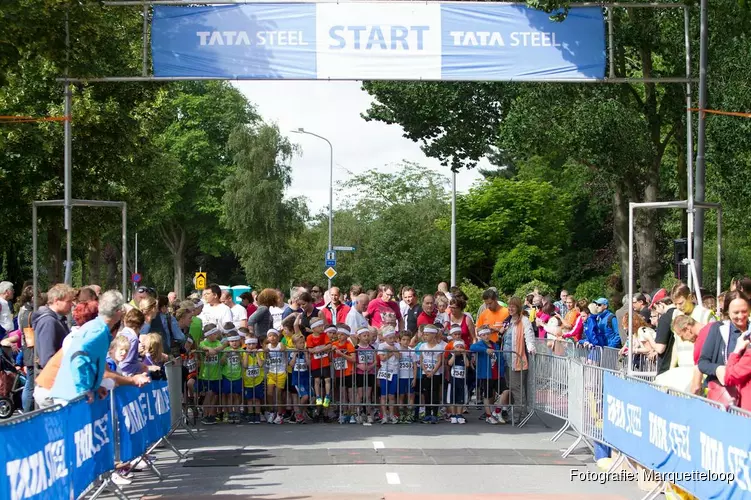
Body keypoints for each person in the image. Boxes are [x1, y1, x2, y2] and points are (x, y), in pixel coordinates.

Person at [50, 290, 126, 403]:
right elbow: (78, 357)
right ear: (118, 312)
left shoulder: (97, 327)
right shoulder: (98, 332)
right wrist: (84, 389)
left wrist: (96, 387)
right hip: (72, 397)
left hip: (72, 394)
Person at [699, 291, 750, 406]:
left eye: (744, 311)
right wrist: (717, 369)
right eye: (736, 312)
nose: (741, 316)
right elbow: (702, 362)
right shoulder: (718, 329)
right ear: (727, 311)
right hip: (724, 398)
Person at [501, 297, 536, 416]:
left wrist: (531, 347)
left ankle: (519, 414)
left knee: (517, 388)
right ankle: (514, 412)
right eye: (509, 306)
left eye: (513, 306)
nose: (510, 308)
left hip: (518, 359)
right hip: (507, 360)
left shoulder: (524, 320)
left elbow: (529, 335)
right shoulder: (508, 321)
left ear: (518, 307)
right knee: (511, 388)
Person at [32, 284, 75, 370]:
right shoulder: (48, 322)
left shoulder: (58, 320)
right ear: (56, 301)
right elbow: (47, 359)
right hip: (54, 377)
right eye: (68, 301)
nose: (72, 304)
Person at [471, 326, 503, 424]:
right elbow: (472, 347)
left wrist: (501, 372)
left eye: (487, 334)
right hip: (486, 374)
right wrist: (485, 350)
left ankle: (497, 411)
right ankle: (489, 415)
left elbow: (500, 358)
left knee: (506, 392)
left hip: (497, 373)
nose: (486, 336)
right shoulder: (480, 344)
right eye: (483, 335)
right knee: (487, 395)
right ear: (480, 336)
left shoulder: (495, 345)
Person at [197, 323, 223, 425]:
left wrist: (213, 350)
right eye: (214, 334)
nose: (216, 335)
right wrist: (208, 349)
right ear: (208, 335)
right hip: (206, 375)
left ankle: (211, 415)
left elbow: (220, 347)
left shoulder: (217, 342)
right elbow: (201, 346)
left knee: (214, 395)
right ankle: (205, 413)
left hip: (217, 375)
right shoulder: (204, 343)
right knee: (208, 394)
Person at [377, 327, 400, 424]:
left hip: (394, 372)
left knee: (391, 395)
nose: (392, 340)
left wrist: (392, 349)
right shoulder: (381, 345)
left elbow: (399, 356)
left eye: (393, 338)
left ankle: (391, 414)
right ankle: (384, 416)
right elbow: (382, 358)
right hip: (385, 372)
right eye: (389, 338)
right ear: (385, 338)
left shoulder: (397, 345)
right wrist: (392, 351)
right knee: (383, 395)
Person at [220, 332, 244, 423]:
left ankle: (237, 413)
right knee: (229, 395)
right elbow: (221, 363)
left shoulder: (242, 350)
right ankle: (230, 413)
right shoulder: (226, 350)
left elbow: (243, 363)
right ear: (229, 342)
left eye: (236, 341)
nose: (234, 343)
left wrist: (239, 355)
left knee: (237, 395)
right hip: (227, 376)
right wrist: (225, 355)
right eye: (232, 341)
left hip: (237, 376)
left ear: (239, 341)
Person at [242, 336, 265, 424]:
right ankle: (251, 414)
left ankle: (257, 414)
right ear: (246, 344)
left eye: (253, 344)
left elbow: (260, 364)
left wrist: (257, 355)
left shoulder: (260, 352)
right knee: (250, 399)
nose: (251, 346)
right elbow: (245, 365)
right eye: (249, 344)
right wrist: (247, 355)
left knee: (257, 399)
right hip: (248, 381)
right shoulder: (244, 353)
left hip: (258, 380)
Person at [446, 339, 468, 424]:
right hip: (453, 381)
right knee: (452, 398)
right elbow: (450, 363)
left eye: (461, 347)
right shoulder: (452, 355)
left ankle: (459, 414)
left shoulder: (464, 356)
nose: (459, 348)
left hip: (462, 381)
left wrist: (464, 355)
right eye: (457, 347)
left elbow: (467, 364)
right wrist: (454, 355)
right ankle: (453, 414)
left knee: (460, 399)